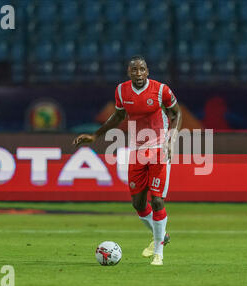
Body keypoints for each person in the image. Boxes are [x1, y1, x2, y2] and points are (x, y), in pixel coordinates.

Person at [73, 55, 182, 266]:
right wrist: (95, 135)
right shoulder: (122, 91)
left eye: (142, 69)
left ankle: (158, 252)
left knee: (157, 200)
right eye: (134, 70)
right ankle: (162, 236)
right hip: (137, 150)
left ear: (148, 71)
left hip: (159, 148)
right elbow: (118, 116)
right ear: (128, 72)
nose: (138, 73)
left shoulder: (161, 90)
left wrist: (171, 139)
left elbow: (176, 114)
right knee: (138, 204)